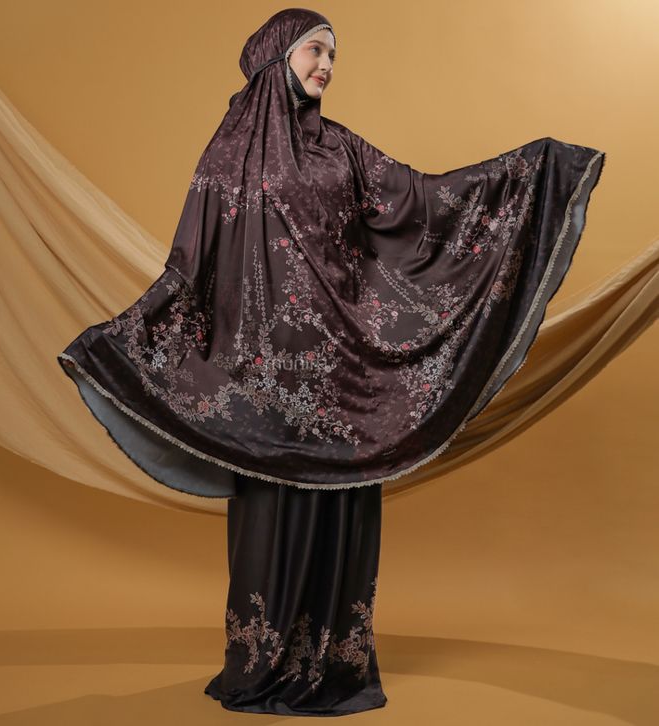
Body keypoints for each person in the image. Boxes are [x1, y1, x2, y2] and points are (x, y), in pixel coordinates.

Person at [57, 7, 605, 717]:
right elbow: (190, 267)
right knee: (269, 524)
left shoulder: (343, 149)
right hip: (262, 387)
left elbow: (425, 204)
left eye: (333, 56)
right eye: (315, 50)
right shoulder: (227, 156)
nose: (326, 67)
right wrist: (127, 340)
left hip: (344, 381)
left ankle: (335, 669)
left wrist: (534, 170)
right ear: (275, 54)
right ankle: (262, 666)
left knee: (342, 519)